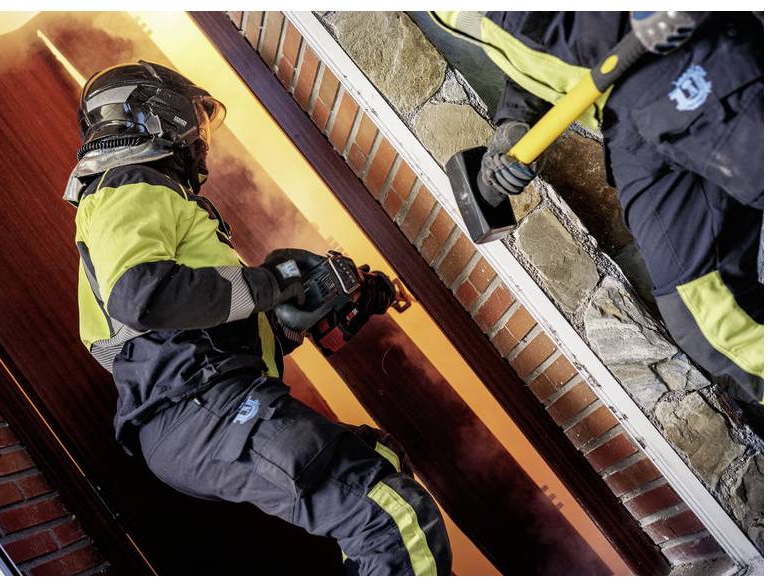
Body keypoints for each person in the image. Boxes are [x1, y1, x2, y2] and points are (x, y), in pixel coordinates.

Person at [62, 60, 451, 575]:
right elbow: (142, 295)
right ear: (156, 115)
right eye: (194, 121)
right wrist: (276, 282)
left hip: (205, 409)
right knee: (390, 518)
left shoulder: (166, 209)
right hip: (200, 405)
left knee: (378, 461)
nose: (202, 139)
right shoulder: (129, 182)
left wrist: (316, 310)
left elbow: (206, 326)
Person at [433, 12, 764, 430]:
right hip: (619, 111)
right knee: (705, 316)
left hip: (665, 48)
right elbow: (533, 36)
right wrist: (516, 120)